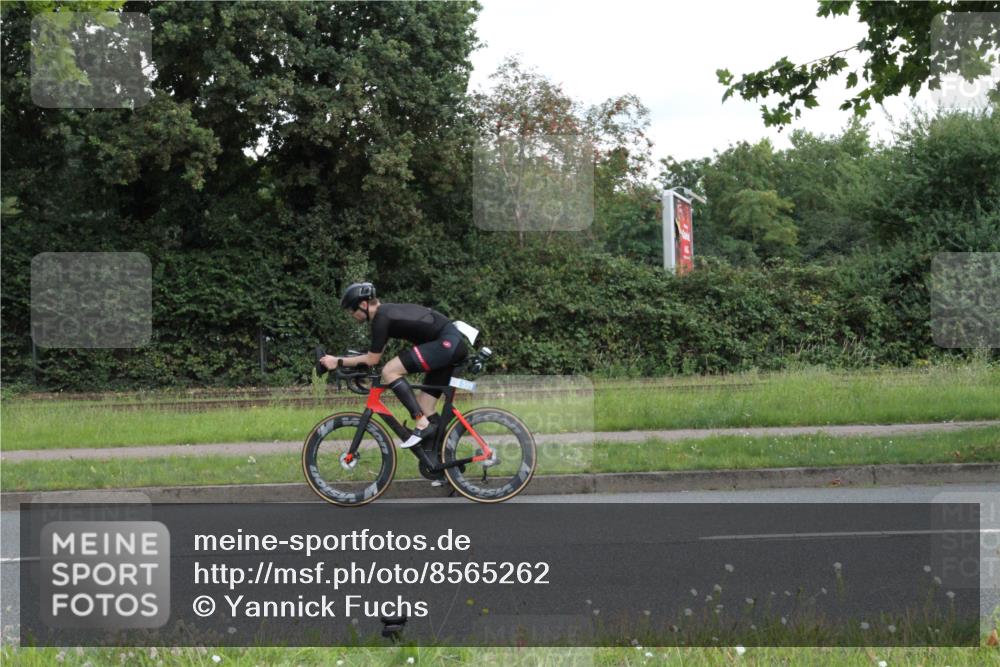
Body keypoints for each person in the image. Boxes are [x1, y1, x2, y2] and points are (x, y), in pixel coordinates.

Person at [320, 282, 468, 448]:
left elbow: (372, 360)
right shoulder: (385, 315)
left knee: (390, 371)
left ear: (363, 305)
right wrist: (346, 361)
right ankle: (443, 452)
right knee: (425, 405)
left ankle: (421, 422)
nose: (352, 314)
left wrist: (336, 361)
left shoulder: (381, 318)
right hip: (448, 344)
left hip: (446, 344)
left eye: (352, 310)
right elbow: (372, 356)